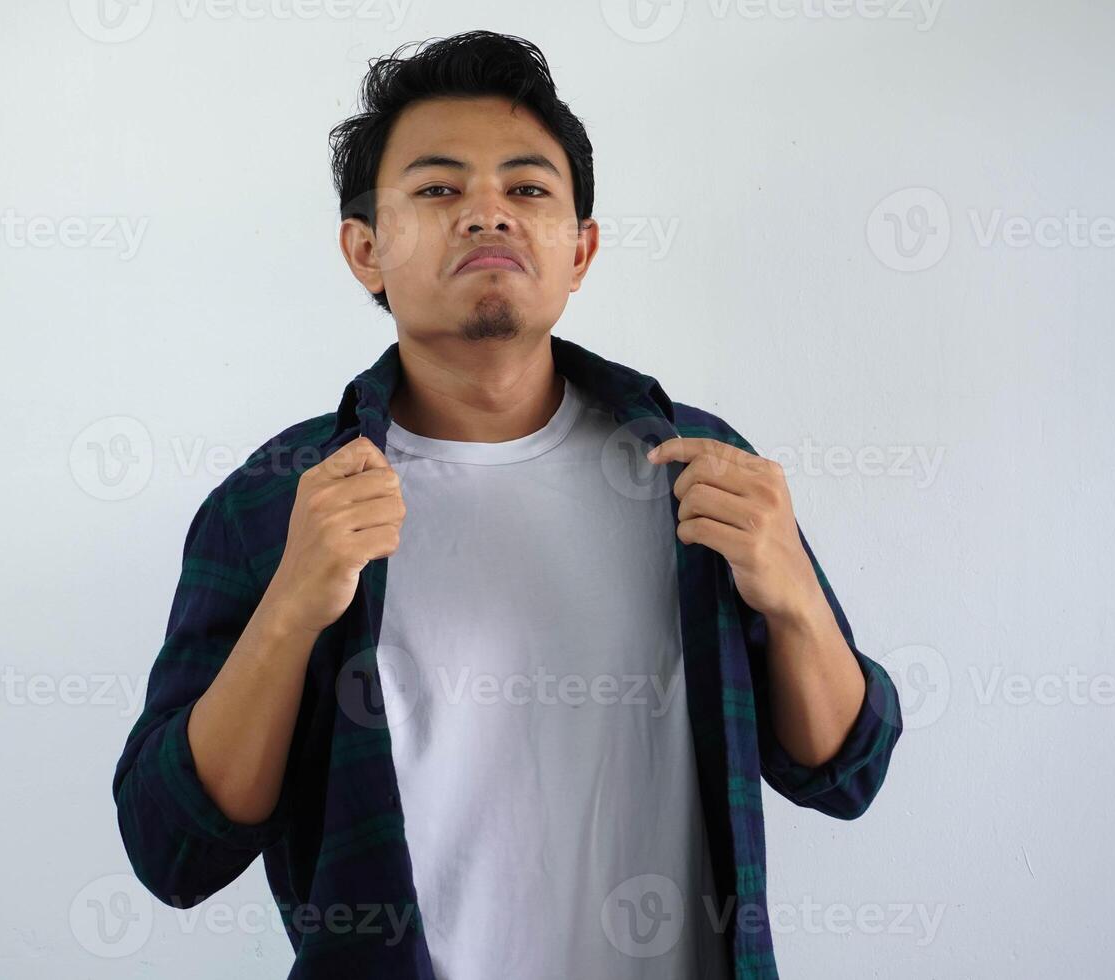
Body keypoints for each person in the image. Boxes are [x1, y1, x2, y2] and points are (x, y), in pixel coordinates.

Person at [113, 30, 902, 979]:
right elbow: (174, 851)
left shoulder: (696, 469)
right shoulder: (275, 502)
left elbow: (847, 773)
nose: (487, 212)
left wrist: (795, 600)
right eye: (439, 189)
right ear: (365, 250)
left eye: (527, 189)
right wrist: (288, 610)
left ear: (580, 250)